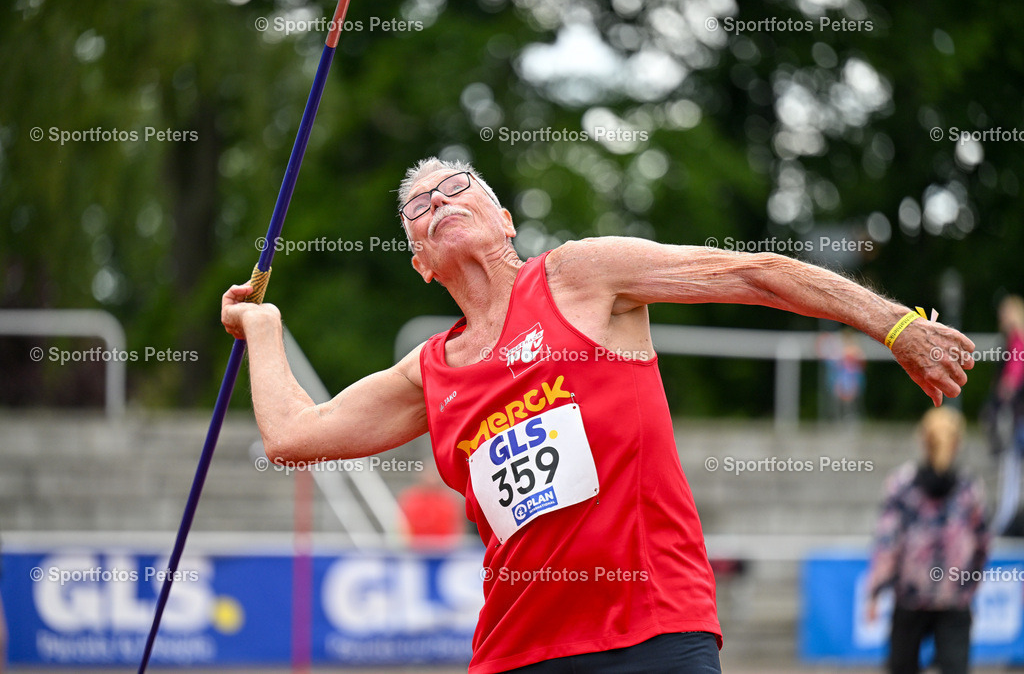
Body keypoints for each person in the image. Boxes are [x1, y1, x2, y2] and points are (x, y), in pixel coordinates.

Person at [222, 158, 975, 673]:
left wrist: (894, 324)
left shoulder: (579, 278)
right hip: (518, 652)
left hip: (654, 628)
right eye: (419, 209)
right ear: (420, 261)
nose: (439, 203)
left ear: (505, 218)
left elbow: (752, 271)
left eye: (456, 187)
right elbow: (292, 435)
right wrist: (262, 329)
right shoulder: (430, 371)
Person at [865, 407, 989, 674]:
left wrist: (874, 592)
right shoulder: (969, 488)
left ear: (923, 440)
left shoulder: (902, 484)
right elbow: (982, 543)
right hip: (954, 595)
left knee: (901, 666)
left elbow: (888, 542)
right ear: (958, 443)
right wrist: (970, 585)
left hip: (911, 594)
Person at [985, 294, 1024, 534]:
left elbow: (1013, 372)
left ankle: (1004, 518)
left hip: (1017, 414)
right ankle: (1004, 516)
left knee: (1011, 465)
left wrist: (1003, 394)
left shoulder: (1016, 339)